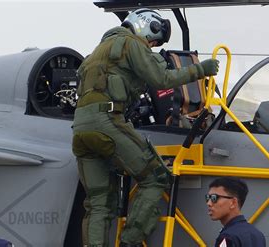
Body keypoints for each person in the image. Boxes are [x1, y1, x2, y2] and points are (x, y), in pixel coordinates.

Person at [71, 8, 219, 247]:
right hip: (106, 122)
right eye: (152, 39)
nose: (150, 45)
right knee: (156, 176)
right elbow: (162, 80)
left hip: (81, 129)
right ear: (145, 25)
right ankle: (130, 241)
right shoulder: (131, 43)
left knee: (98, 201)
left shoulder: (96, 53)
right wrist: (201, 70)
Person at [206, 177, 266, 247]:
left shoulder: (228, 237)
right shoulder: (257, 234)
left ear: (233, 202)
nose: (209, 203)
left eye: (214, 198)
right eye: (207, 198)